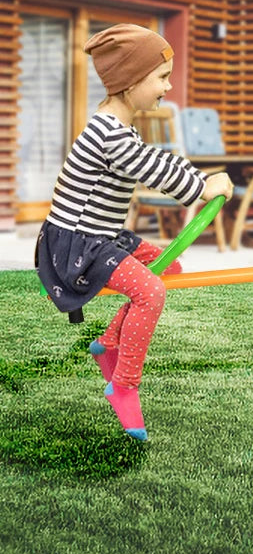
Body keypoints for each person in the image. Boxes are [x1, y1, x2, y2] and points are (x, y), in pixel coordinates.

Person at [36, 23, 234, 441]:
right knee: (151, 291)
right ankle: (123, 386)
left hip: (100, 235)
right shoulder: (108, 132)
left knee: (170, 267)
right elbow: (151, 168)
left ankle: (109, 343)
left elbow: (151, 157)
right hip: (79, 244)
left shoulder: (118, 128)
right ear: (129, 82)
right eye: (161, 77)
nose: (168, 86)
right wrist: (202, 186)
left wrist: (199, 177)